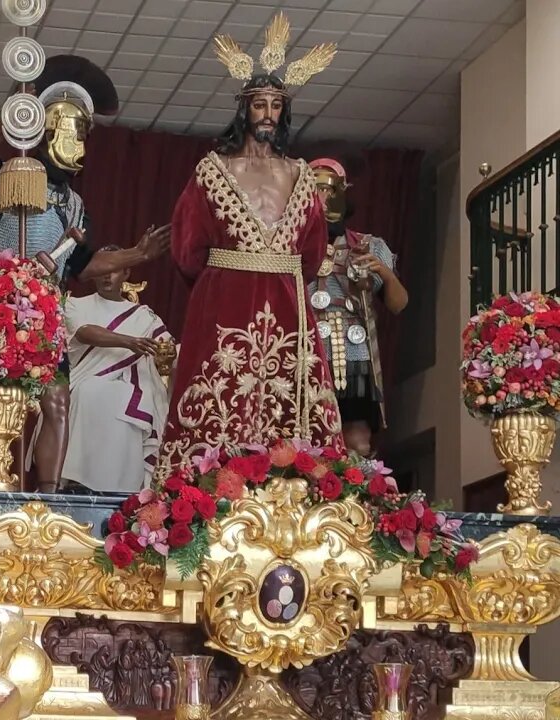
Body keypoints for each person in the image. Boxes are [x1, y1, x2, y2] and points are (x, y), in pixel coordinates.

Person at [156, 14, 345, 477]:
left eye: (275, 106)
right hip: (225, 301)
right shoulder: (212, 171)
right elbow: (186, 249)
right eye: (258, 104)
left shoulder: (302, 175)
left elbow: (314, 253)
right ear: (244, 109)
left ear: (284, 111)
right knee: (219, 396)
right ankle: (205, 488)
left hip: (286, 301)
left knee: (286, 400)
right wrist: (219, 284)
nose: (266, 114)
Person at [0, 55, 166, 491]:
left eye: (80, 133)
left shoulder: (76, 204)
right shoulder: (9, 172)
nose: (74, 140)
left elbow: (83, 266)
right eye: (66, 128)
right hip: (1, 306)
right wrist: (16, 112)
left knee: (58, 400)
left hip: (47, 313)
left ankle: (48, 496)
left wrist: (136, 253)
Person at [307, 158, 408, 456]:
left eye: (330, 190)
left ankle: (360, 495)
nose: (324, 199)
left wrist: (385, 273)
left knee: (356, 437)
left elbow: (399, 304)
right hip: (307, 349)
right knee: (304, 434)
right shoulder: (290, 247)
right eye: (317, 191)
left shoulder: (368, 244)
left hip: (353, 349)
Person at [61, 247, 174, 493]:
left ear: (126, 273)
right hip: (84, 380)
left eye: (113, 270)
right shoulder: (74, 304)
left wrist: (174, 354)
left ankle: (125, 489)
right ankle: (78, 481)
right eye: (102, 269)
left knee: (128, 397)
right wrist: (129, 342)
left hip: (134, 385)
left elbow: (167, 348)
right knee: (90, 391)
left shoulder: (145, 317)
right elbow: (84, 331)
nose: (106, 276)